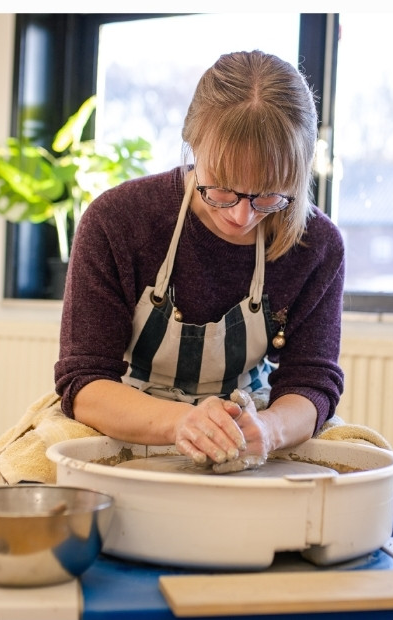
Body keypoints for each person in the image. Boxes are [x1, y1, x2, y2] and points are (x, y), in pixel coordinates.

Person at [48, 49, 345, 470]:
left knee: (366, 471)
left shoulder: (316, 244)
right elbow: (85, 382)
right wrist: (182, 422)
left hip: (248, 417)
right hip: (126, 411)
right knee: (39, 475)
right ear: (193, 146)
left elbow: (312, 381)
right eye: (222, 189)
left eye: (267, 195)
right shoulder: (119, 220)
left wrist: (270, 430)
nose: (242, 217)